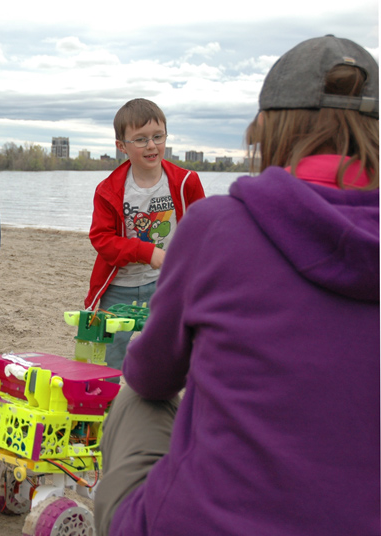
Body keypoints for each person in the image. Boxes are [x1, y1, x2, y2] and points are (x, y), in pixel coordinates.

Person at [94, 35, 379, 536]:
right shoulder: (115, 189)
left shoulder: (217, 224)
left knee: (136, 388)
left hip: (206, 522)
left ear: (266, 128)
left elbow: (153, 376)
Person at [85, 98, 205, 372]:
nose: (151, 145)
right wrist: (148, 253)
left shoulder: (186, 182)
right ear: (121, 146)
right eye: (140, 139)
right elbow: (102, 240)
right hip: (118, 288)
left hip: (167, 284)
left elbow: (201, 230)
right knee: (107, 359)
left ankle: (159, 410)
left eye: (157, 136)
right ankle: (106, 410)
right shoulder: (109, 190)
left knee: (166, 356)